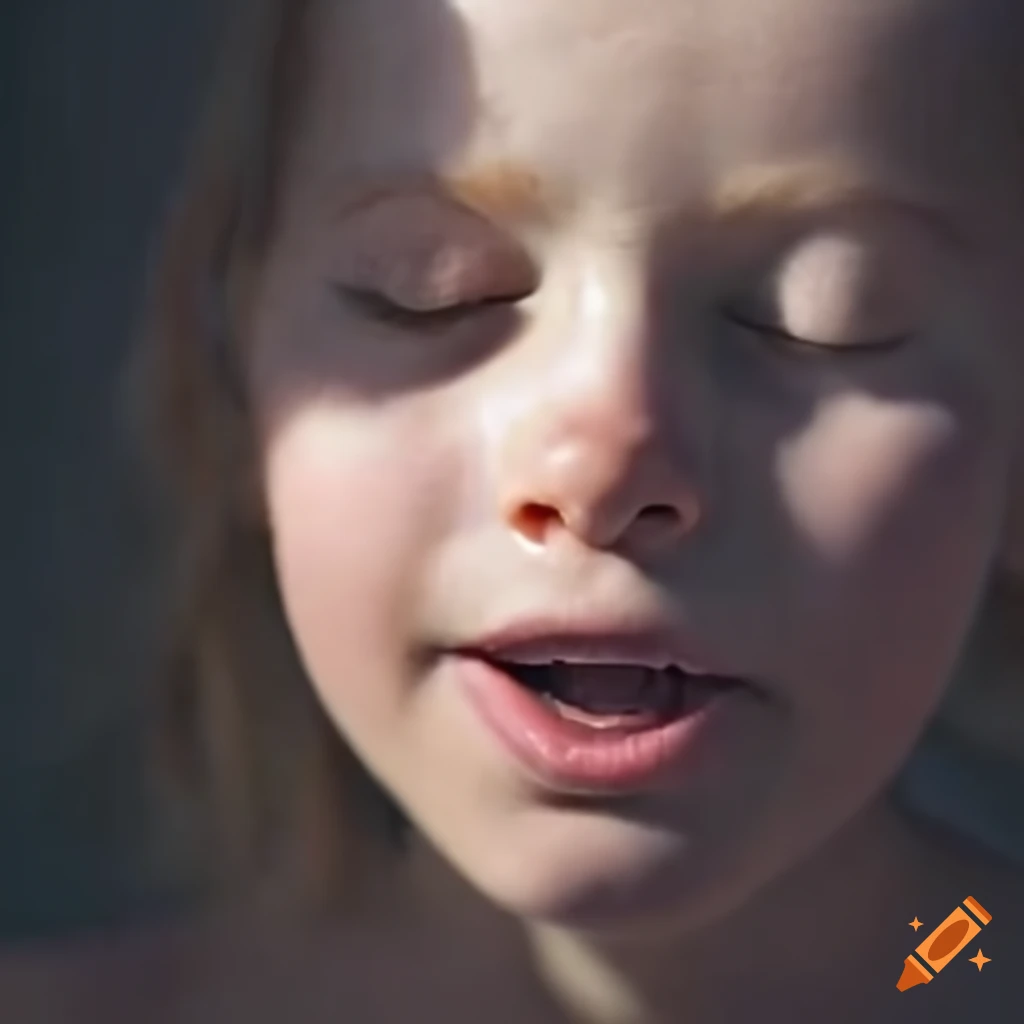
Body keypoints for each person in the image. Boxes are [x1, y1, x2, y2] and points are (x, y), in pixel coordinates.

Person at [6, 0, 1024, 1020]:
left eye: (824, 315)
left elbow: (957, 954)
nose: (603, 467)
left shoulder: (963, 953)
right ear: (236, 378)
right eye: (428, 289)